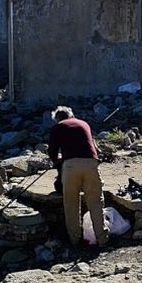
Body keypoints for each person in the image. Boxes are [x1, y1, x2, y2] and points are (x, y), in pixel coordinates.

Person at [47, 106, 108, 247]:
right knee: (96, 202)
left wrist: (58, 164)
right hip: (91, 163)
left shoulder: (58, 127)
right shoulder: (84, 124)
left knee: (71, 204)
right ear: (71, 115)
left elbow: (52, 151)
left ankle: (75, 240)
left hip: (70, 166)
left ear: (57, 119)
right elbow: (95, 148)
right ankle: (103, 239)